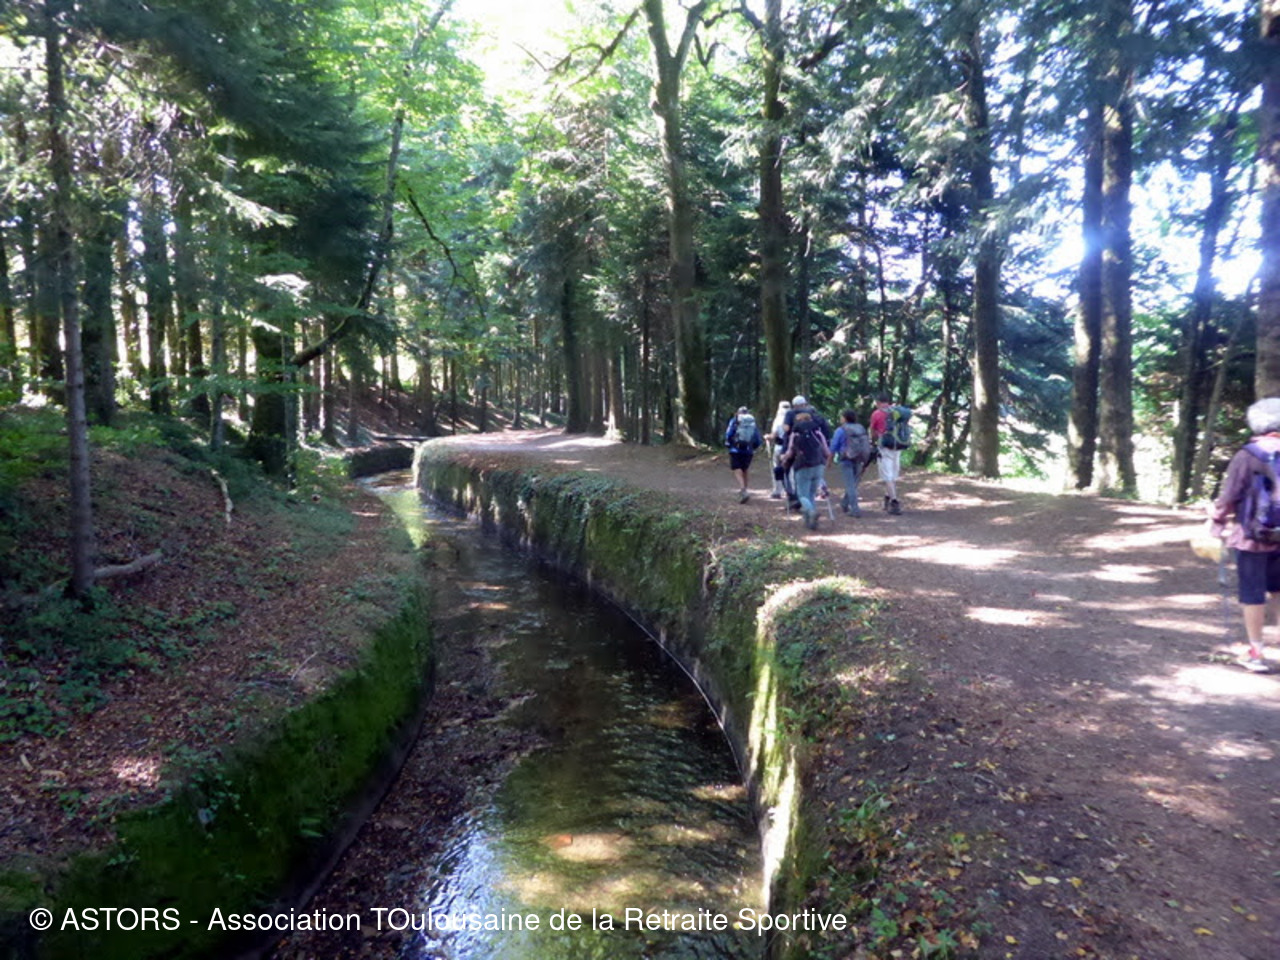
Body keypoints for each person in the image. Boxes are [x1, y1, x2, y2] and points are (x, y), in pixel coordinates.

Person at [1208, 397, 1280, 672]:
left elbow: (1230, 496)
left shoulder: (1248, 455)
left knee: (1253, 594)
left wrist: (1216, 523)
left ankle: (1256, 654)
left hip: (1252, 539)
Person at [781, 410, 831, 530]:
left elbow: (790, 451)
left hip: (802, 466)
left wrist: (783, 459)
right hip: (818, 465)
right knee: (811, 493)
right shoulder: (817, 432)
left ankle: (811, 511)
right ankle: (810, 522)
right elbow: (826, 451)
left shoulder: (795, 433)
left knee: (802, 495)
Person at [829, 409, 872, 517]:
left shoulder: (841, 430)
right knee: (853, 484)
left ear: (845, 418)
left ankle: (855, 509)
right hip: (859, 458)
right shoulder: (860, 428)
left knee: (850, 485)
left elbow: (833, 447)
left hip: (846, 459)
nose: (840, 419)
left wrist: (829, 461)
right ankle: (844, 503)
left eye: (841, 417)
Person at [869, 392, 906, 515]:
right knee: (893, 475)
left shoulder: (876, 414)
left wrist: (873, 441)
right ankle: (887, 498)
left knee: (887, 475)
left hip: (885, 447)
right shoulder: (897, 412)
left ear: (878, 402)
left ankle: (894, 502)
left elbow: (873, 431)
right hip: (898, 446)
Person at [725, 406, 763, 503]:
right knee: (745, 469)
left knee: (737, 469)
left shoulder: (735, 421)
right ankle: (745, 490)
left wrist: (729, 443)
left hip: (736, 450)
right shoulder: (752, 422)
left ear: (738, 413)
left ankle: (743, 490)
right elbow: (757, 437)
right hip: (748, 450)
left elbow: (729, 434)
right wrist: (753, 447)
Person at [768, 400, 791, 499]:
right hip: (791, 448)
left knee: (777, 468)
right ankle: (790, 490)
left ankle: (777, 491)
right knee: (789, 469)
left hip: (779, 447)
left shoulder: (778, 419)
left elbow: (774, 434)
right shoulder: (793, 418)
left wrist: (768, 437)